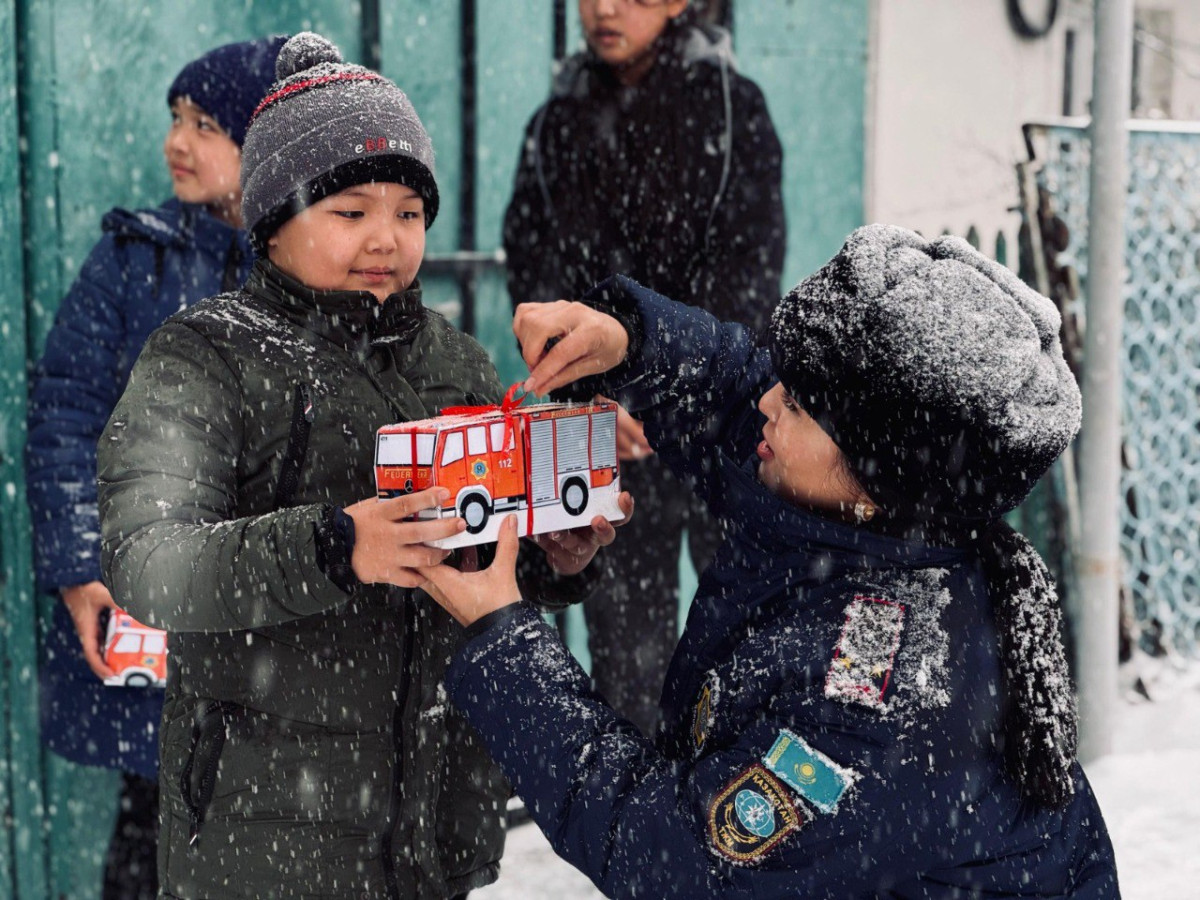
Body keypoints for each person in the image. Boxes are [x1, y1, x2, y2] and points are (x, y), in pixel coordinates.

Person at [418, 225, 1120, 897]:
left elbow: (678, 861)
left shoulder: (876, 702)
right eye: (788, 377)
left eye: (802, 404)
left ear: (880, 483)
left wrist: (505, 641)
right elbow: (734, 395)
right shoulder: (867, 512)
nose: (768, 401)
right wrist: (632, 340)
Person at [97, 33, 624, 900]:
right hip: (264, 835)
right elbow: (148, 562)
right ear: (272, 224)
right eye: (350, 211)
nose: (386, 237)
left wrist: (552, 553)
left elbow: (473, 539)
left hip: (429, 819)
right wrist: (339, 546)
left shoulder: (454, 361)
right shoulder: (203, 357)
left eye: (409, 214)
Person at [25, 35, 285, 899]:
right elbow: (63, 415)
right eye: (175, 119)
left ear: (268, 143)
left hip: (275, 616)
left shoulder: (311, 269)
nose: (176, 142)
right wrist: (78, 569)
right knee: (154, 823)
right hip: (154, 602)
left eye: (204, 125)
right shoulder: (133, 260)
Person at [502, 0, 786, 735]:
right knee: (626, 656)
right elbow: (534, 272)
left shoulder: (733, 111)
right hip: (600, 428)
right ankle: (643, 835)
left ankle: (735, 827)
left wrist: (663, 387)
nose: (603, 8)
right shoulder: (554, 123)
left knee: (746, 644)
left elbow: (747, 276)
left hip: (716, 419)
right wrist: (593, 394)